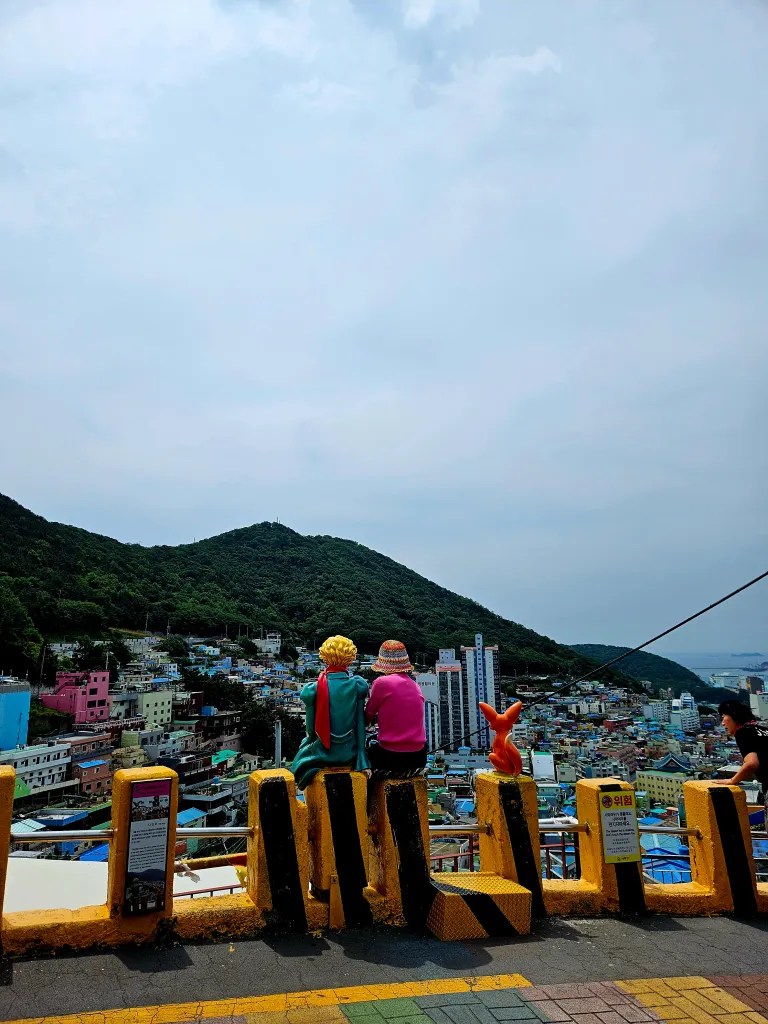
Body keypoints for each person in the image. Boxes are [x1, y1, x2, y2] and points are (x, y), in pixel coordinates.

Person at [290, 635, 370, 790]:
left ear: (324, 657)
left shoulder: (313, 689)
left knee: (300, 756)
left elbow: (311, 731)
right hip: (350, 753)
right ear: (350, 658)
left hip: (323, 754)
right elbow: (360, 724)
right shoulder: (358, 685)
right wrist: (362, 757)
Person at [364, 640, 427, 776]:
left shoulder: (381, 682)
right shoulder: (414, 684)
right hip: (419, 756)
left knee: (360, 761)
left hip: (391, 754)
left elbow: (368, 715)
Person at [715, 700, 768, 813]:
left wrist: (732, 780)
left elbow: (752, 763)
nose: (723, 723)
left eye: (723, 716)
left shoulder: (743, 732)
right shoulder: (763, 730)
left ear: (734, 715)